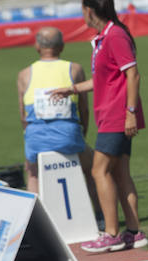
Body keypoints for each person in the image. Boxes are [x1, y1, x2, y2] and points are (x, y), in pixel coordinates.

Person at [51, 0, 147, 252]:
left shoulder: (114, 35)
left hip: (117, 114)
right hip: (112, 113)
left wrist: (129, 112)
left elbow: (133, 75)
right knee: (119, 172)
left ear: (89, 10)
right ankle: (134, 232)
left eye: (82, 8)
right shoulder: (104, 38)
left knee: (98, 170)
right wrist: (72, 89)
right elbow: (105, 79)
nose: (81, 12)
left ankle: (112, 233)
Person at [17, 27, 100, 218]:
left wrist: (30, 138)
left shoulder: (24, 75)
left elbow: (23, 116)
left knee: (32, 174)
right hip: (68, 136)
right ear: (62, 46)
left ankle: (33, 222)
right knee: (95, 169)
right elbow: (84, 110)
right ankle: (100, 216)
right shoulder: (75, 69)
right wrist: (81, 135)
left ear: (37, 46)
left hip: (36, 139)